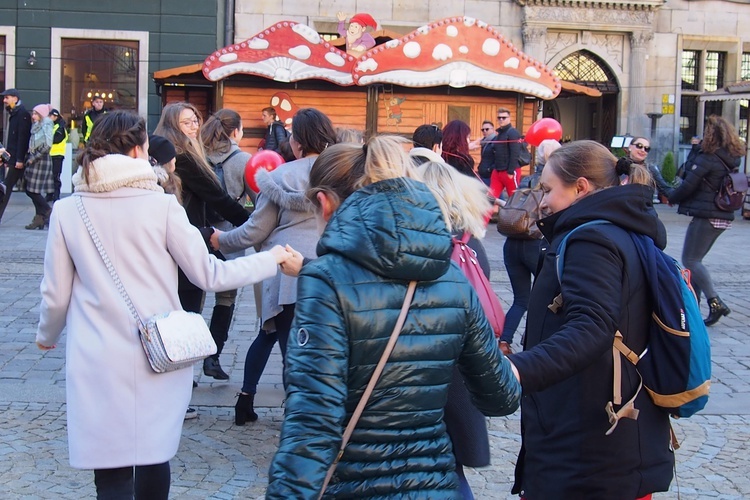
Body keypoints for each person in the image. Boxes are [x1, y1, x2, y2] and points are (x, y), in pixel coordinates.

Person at [35, 110, 294, 500]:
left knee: (109, 469)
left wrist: (46, 335)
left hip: (96, 355)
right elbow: (211, 275)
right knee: (154, 457)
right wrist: (270, 259)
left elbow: (55, 292)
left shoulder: (68, 210)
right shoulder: (162, 206)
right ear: (140, 150)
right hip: (157, 352)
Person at [265, 135, 521, 498]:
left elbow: (312, 423)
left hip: (355, 488)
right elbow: (502, 398)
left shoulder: (326, 280)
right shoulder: (452, 278)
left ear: (324, 204)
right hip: (435, 487)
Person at [507, 140, 673, 499]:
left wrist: (517, 370)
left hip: (589, 444)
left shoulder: (592, 240)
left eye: (549, 189)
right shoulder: (622, 228)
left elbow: (591, 327)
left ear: (580, 186)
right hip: (610, 438)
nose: (544, 201)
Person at [210, 108, 337, 424]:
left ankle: (288, 416)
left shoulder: (280, 177)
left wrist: (219, 240)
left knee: (286, 346)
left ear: (297, 143)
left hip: (289, 273)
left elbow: (255, 231)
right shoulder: (344, 174)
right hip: (336, 273)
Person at [416, 159, 496, 499]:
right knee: (451, 467)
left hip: (423, 370)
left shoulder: (420, 244)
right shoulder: (470, 243)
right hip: (463, 368)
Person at [154, 102, 250, 327]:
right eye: (186, 122)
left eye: (196, 120)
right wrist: (253, 227)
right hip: (184, 240)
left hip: (162, 241)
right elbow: (218, 198)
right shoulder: (183, 157)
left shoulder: (163, 151)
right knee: (185, 317)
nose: (194, 126)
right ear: (172, 125)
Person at [653, 115, 744, 326]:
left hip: (707, 214)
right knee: (696, 261)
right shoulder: (728, 157)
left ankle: (715, 302)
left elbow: (688, 184)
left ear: (710, 135)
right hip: (721, 214)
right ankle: (694, 303)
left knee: (691, 260)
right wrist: (696, 150)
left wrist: (671, 198)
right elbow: (690, 171)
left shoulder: (709, 158)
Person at [198, 108, 253, 380]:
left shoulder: (197, 154)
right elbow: (258, 198)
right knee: (226, 298)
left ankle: (185, 361)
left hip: (197, 233)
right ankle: (213, 357)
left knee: (194, 297)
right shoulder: (243, 160)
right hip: (230, 237)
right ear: (235, 132)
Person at [499, 139, 561, 356]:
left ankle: (504, 342)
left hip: (512, 242)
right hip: (535, 244)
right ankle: (533, 343)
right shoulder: (557, 182)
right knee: (548, 295)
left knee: (521, 298)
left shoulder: (526, 180)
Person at [0, 88, 32, 224]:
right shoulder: (13, 113)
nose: (4, 101)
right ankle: (43, 212)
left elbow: (22, 139)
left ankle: (44, 211)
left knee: (6, 188)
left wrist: (19, 159)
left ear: (15, 98)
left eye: (7, 98)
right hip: (12, 157)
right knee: (30, 190)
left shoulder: (22, 114)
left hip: (18, 159)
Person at [22, 104, 55, 229]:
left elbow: (47, 145)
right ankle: (39, 218)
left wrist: (33, 158)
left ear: (41, 115)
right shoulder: (36, 126)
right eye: (33, 113)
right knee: (30, 189)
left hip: (40, 160)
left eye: (36, 113)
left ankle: (48, 210)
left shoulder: (46, 125)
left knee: (33, 191)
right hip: (34, 159)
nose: (33, 116)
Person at [491, 107, 522, 199]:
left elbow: (515, 152)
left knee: (514, 200)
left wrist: (510, 171)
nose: (501, 119)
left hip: (510, 171)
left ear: (509, 118)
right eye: (499, 118)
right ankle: (484, 214)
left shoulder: (513, 132)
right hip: (498, 171)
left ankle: (518, 214)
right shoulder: (499, 133)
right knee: (490, 199)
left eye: (503, 117)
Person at [48, 108, 68, 202]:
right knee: (49, 176)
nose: (50, 117)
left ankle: (56, 195)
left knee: (55, 176)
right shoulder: (51, 126)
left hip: (57, 155)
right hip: (50, 154)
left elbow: (56, 139)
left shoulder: (60, 127)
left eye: (51, 116)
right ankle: (49, 194)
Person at [476, 119, 497, 185]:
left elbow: (500, 158)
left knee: (494, 193)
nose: (484, 131)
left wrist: (490, 169)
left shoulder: (496, 141)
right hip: (483, 173)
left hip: (491, 175)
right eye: (483, 130)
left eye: (487, 129)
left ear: (493, 129)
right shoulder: (484, 142)